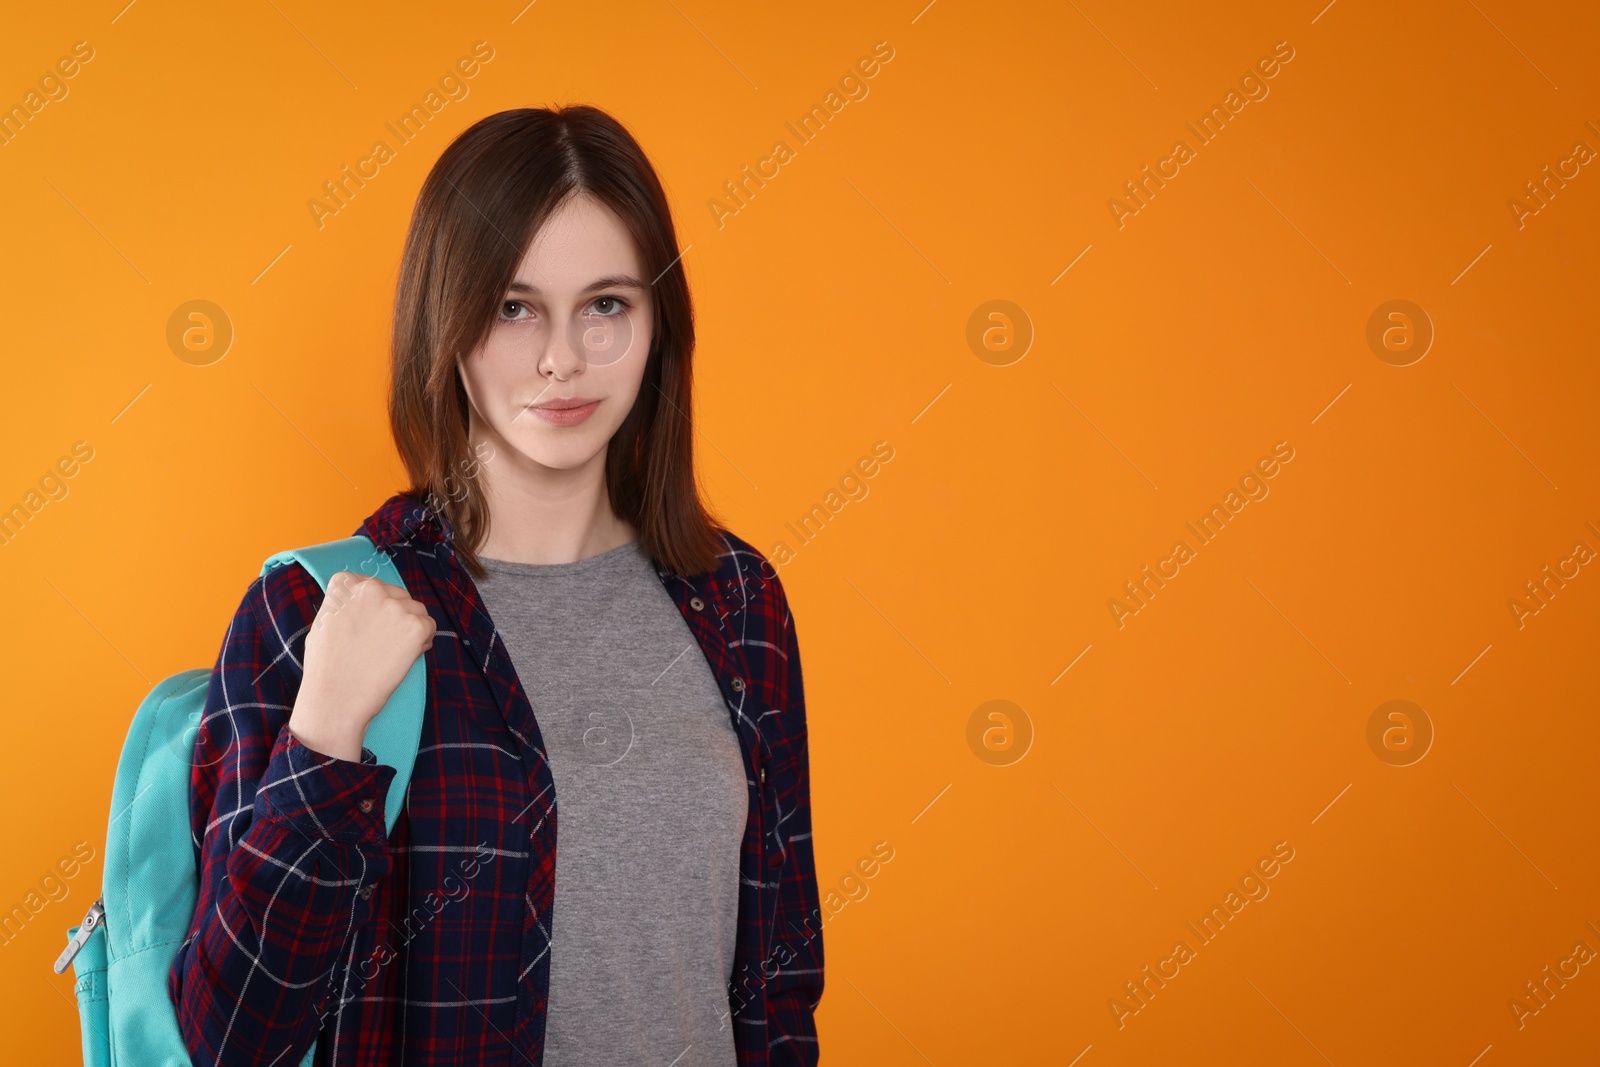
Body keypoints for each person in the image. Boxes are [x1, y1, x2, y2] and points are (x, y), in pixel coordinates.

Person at [168, 105, 823, 1067]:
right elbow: (230, 1037)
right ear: (447, 320)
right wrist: (323, 739)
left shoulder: (739, 604)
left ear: (657, 326)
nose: (562, 358)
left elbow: (779, 982)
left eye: (607, 305)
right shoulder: (313, 614)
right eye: (514, 307)